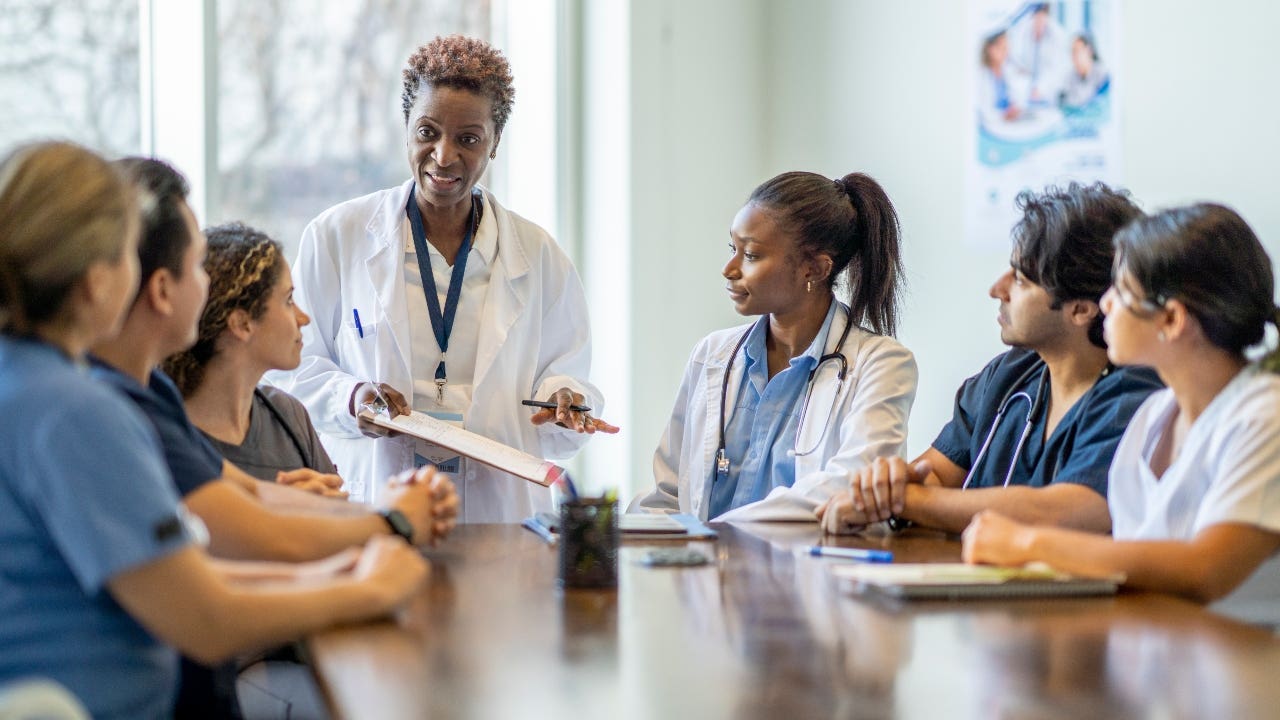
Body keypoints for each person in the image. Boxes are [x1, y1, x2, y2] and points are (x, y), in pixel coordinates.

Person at [0, 140, 427, 720]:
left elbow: (175, 573)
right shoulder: (75, 410)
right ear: (99, 282)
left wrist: (333, 571)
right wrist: (369, 587)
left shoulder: (27, 381)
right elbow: (204, 619)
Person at [272, 35, 617, 520]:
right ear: (406, 130)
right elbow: (289, 369)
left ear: (495, 144)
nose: (443, 155)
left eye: (468, 139)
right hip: (377, 498)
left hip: (499, 513)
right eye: (427, 132)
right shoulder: (336, 237)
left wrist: (565, 399)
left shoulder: (539, 256)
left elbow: (566, 375)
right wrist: (351, 398)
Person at [963, 204, 1280, 625]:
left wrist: (1028, 543)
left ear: (1171, 319)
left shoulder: (1263, 416)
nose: (1106, 302)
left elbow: (1205, 570)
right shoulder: (1153, 416)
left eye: (1122, 292)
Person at [819, 183, 1162, 535]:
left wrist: (907, 501)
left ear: (1080, 309)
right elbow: (936, 474)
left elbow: (1075, 509)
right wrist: (890, 485)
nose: (997, 289)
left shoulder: (1136, 394)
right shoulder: (1010, 373)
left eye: (1021, 280)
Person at [632, 171, 918, 522]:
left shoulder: (881, 365)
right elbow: (670, 494)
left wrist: (713, 533)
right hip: (705, 572)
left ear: (814, 268)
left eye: (751, 255)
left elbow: (852, 487)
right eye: (732, 249)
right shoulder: (711, 356)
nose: (729, 269)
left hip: (807, 572)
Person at [163, 222, 342, 491]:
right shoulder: (166, 435)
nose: (303, 319)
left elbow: (344, 522)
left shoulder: (288, 416)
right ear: (242, 324)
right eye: (288, 300)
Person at [1060, 33, 1111, 111]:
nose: (1074, 56)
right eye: (1072, 52)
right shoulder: (1070, 76)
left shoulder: (1102, 75)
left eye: (1077, 51)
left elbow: (1101, 105)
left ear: (1089, 51)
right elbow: (1066, 103)